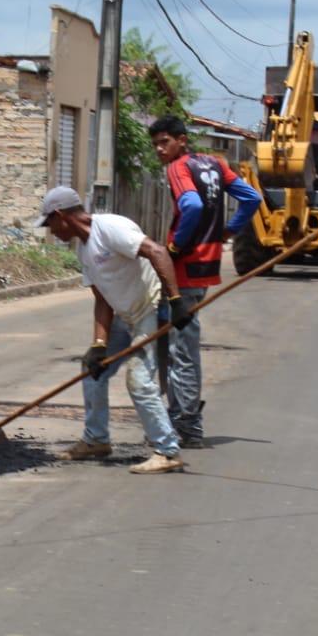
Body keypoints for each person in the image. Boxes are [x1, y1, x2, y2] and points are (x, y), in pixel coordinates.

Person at [38, 186, 192, 474]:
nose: (50, 230)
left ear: (61, 216)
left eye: (49, 223)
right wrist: (99, 344)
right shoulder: (84, 249)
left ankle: (167, 450)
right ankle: (96, 439)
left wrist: (176, 301)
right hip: (124, 315)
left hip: (150, 308)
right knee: (92, 369)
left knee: (139, 380)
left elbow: (157, 251)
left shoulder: (110, 228)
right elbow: (102, 299)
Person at [149, 115, 262, 448]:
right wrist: (229, 230)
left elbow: (193, 205)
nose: (159, 149)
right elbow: (252, 199)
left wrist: (175, 245)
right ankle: (178, 418)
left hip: (183, 268)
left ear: (182, 140)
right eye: (155, 143)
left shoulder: (179, 168)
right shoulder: (215, 164)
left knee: (181, 349)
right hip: (206, 265)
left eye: (164, 142)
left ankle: (187, 426)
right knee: (173, 343)